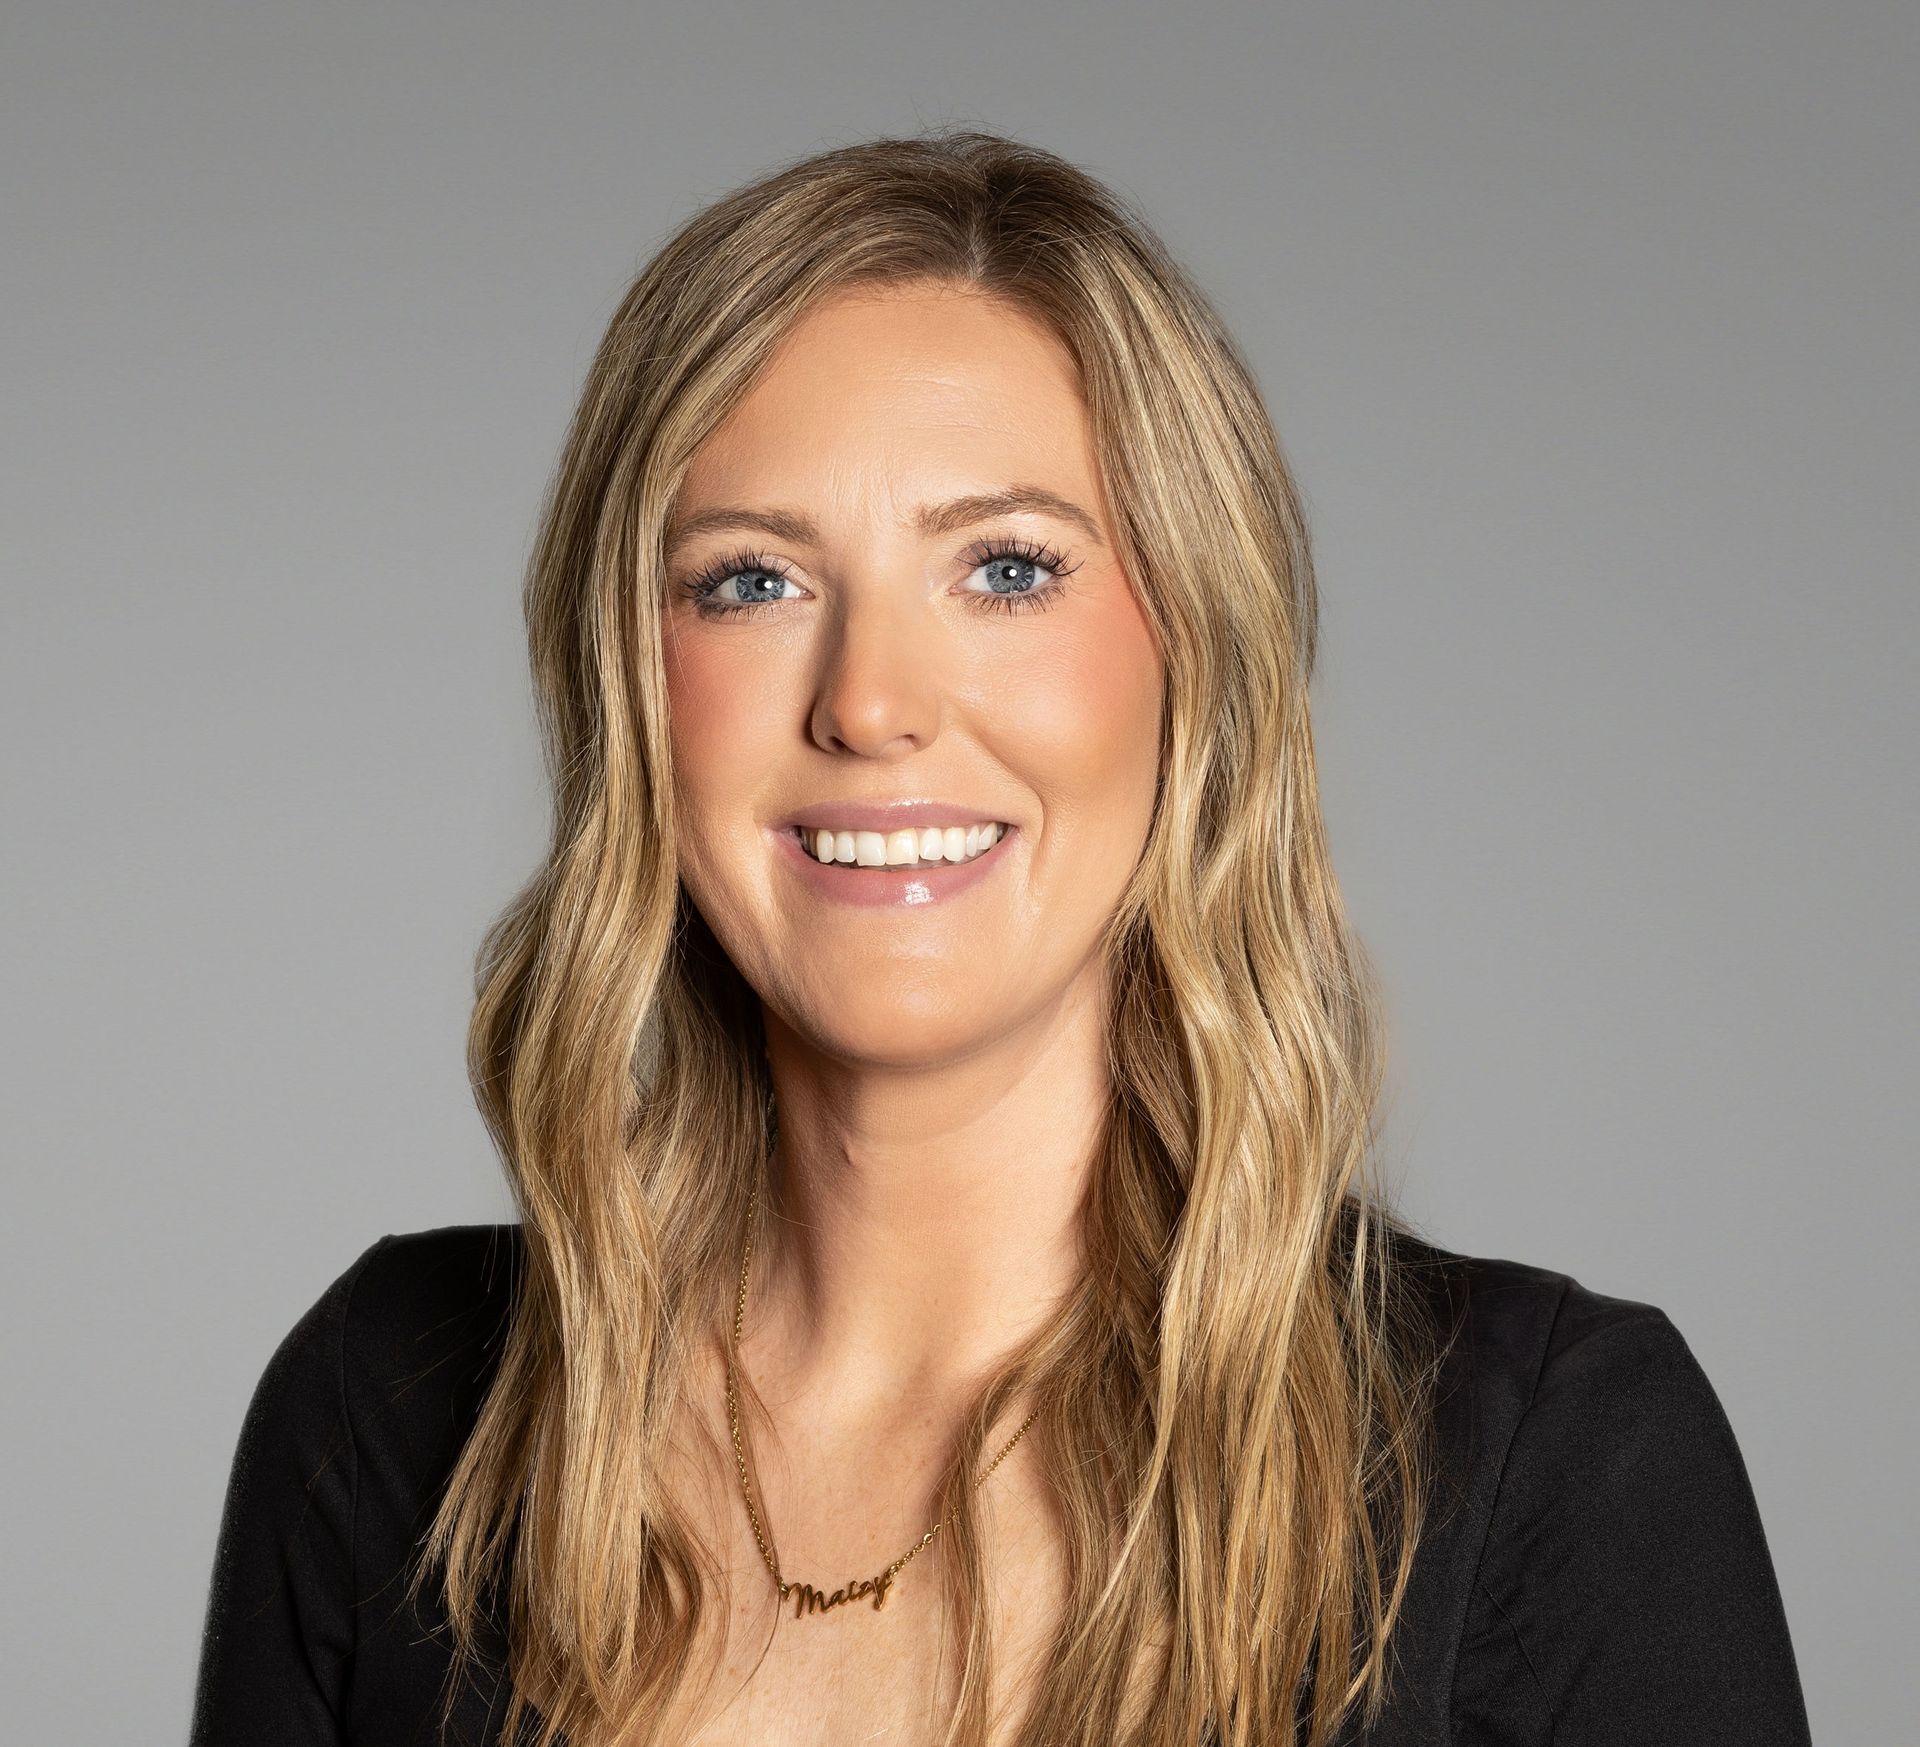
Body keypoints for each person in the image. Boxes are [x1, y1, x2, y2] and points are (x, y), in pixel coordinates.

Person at [187, 128, 1812, 1747]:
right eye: (748, 580)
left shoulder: (1550, 1462)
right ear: (630, 683)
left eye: (1008, 568)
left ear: (1197, 660)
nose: (872, 702)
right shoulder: (388, 1421)